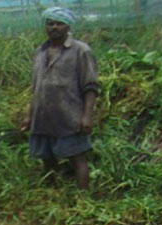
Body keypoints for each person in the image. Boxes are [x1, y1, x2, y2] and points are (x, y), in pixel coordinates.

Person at [20, 7, 99, 191]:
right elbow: (37, 88)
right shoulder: (40, 51)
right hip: (43, 117)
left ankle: (83, 201)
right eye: (50, 23)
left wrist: (87, 117)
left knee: (77, 158)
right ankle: (52, 197)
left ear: (68, 26)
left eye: (59, 23)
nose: (54, 27)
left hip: (68, 115)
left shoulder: (81, 51)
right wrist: (29, 116)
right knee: (46, 159)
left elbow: (91, 87)